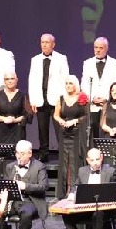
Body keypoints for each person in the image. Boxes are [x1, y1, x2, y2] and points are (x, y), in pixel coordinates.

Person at [62, 148, 116, 229]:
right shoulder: (82, 171)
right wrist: (72, 194)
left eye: (97, 159)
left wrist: (112, 199)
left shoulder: (110, 171)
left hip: (104, 210)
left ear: (101, 158)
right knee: (66, 214)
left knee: (98, 213)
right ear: (87, 160)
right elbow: (75, 187)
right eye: (92, 160)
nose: (95, 162)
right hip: (85, 209)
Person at [0, 140, 49, 229]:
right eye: (17, 153)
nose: (18, 156)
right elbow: (5, 185)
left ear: (30, 154)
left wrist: (25, 186)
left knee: (25, 213)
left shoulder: (39, 167)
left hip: (31, 201)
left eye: (22, 153)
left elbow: (43, 187)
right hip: (14, 201)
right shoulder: (10, 167)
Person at [27, 33, 71, 163]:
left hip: (56, 100)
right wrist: (33, 100)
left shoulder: (61, 58)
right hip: (41, 99)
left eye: (47, 42)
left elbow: (65, 78)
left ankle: (63, 153)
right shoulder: (35, 59)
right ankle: (43, 153)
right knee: (42, 128)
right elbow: (32, 80)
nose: (44, 45)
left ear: (53, 44)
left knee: (59, 128)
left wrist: (63, 99)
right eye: (42, 42)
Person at [53, 75, 90, 201]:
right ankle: (63, 192)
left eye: (71, 83)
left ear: (76, 84)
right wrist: (61, 121)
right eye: (66, 83)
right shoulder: (61, 99)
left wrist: (74, 121)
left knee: (75, 161)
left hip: (77, 133)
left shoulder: (82, 97)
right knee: (64, 162)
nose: (68, 86)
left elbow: (86, 115)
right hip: (64, 132)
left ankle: (75, 191)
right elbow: (56, 115)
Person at [80, 36, 116, 141]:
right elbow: (84, 83)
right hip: (93, 104)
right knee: (93, 131)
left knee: (107, 131)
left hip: (107, 104)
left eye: (101, 48)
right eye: (96, 47)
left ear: (107, 48)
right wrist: (92, 98)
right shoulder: (87, 63)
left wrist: (106, 99)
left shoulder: (114, 63)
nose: (98, 50)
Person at [0, 71, 32, 146]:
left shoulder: (23, 95)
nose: (10, 81)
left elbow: (28, 115)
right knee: (4, 154)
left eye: (12, 78)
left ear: (17, 80)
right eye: (7, 79)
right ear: (4, 81)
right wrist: (4, 119)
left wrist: (15, 120)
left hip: (18, 130)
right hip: (2, 131)